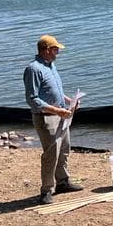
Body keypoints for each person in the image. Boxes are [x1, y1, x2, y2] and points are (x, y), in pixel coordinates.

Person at [23, 34, 83, 205]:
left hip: (61, 115)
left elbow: (54, 91)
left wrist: (69, 102)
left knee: (64, 149)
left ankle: (63, 182)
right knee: (51, 155)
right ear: (47, 50)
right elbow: (32, 99)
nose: (58, 53)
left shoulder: (51, 66)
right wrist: (56, 110)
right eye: (56, 49)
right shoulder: (33, 69)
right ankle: (46, 191)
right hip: (46, 118)